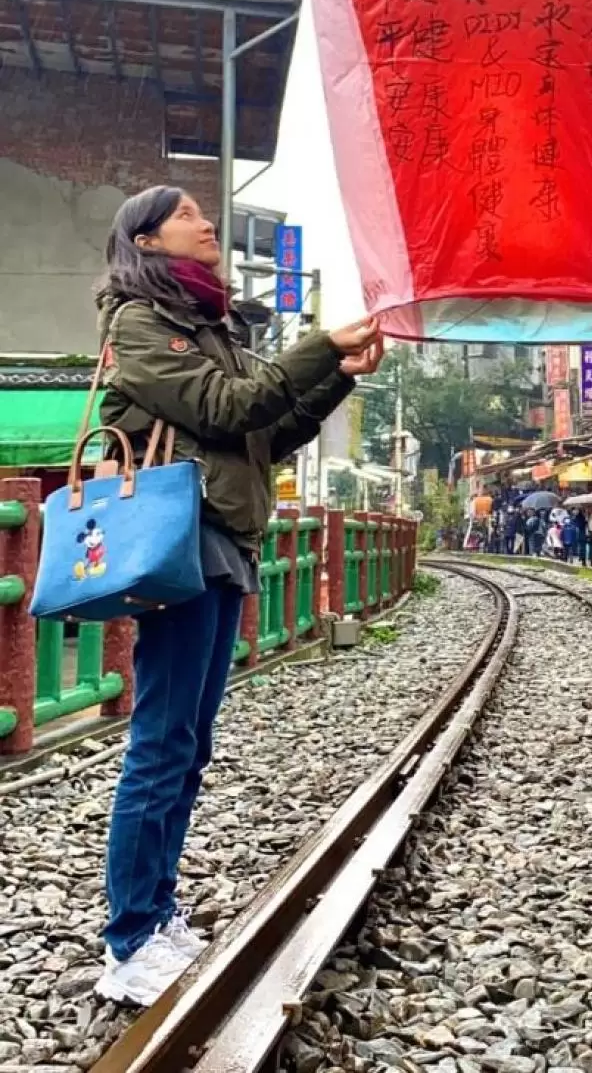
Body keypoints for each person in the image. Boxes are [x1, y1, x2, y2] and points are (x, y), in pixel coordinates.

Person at [92, 187, 384, 1007]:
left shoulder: (210, 324)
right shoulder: (140, 324)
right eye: (188, 214)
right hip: (177, 538)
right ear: (147, 238)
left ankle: (157, 913)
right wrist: (322, 344)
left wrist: (338, 378)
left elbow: (264, 430)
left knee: (188, 740)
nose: (206, 222)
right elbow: (227, 405)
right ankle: (130, 937)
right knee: (160, 740)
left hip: (221, 539)